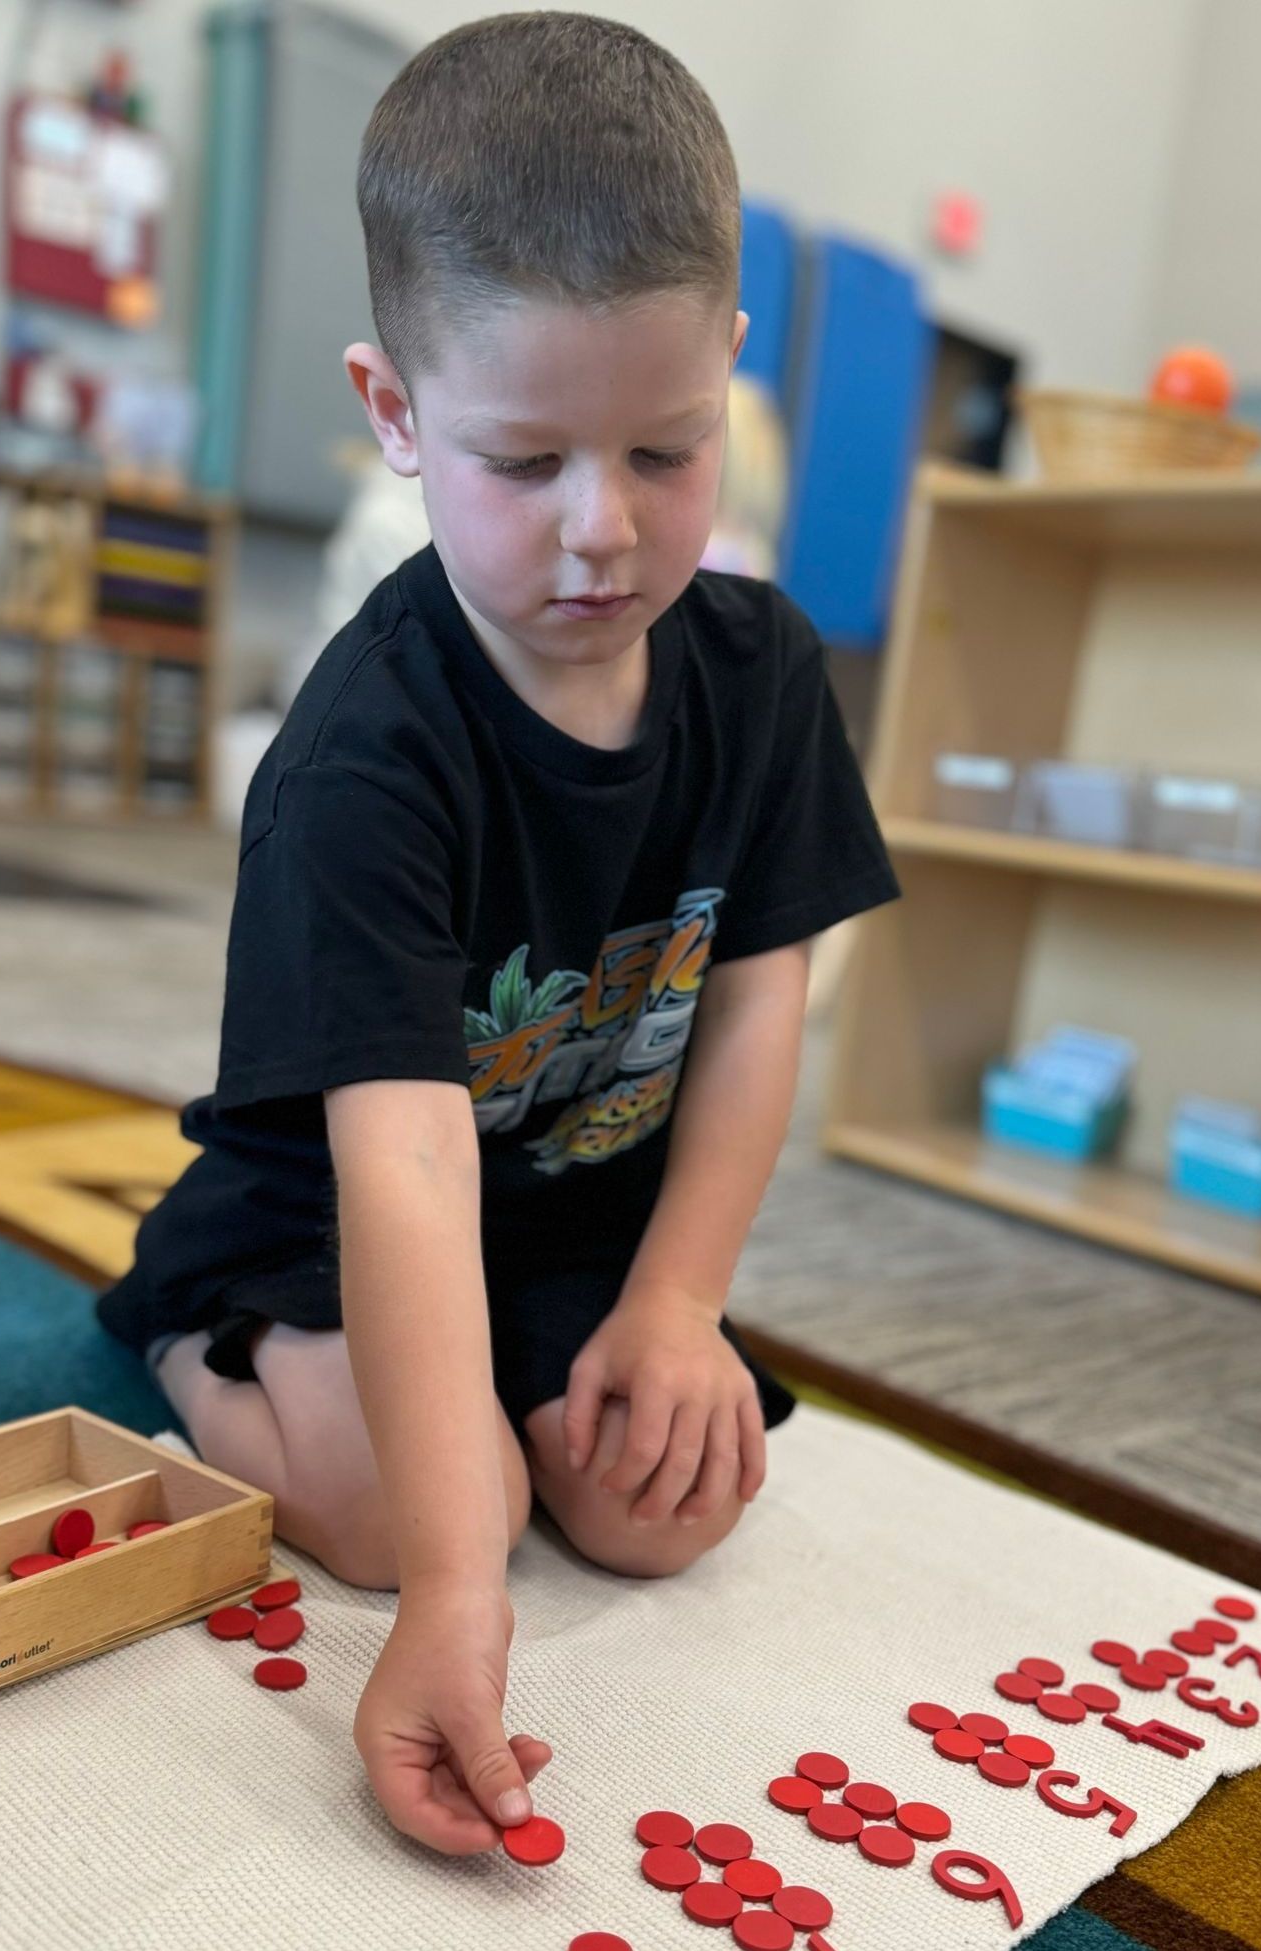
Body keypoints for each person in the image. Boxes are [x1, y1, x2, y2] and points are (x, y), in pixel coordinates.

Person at [97, 12, 899, 1856]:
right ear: (394, 415)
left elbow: (761, 1019)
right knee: (394, 1522)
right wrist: (460, 1594)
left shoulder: (767, 680)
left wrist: (679, 1301)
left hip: (578, 1212)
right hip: (336, 1205)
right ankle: (181, 1324)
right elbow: (399, 1182)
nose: (603, 533)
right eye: (523, 463)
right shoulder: (367, 757)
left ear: (731, 381)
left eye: (666, 451)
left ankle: (527, 1400)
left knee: (663, 1502)